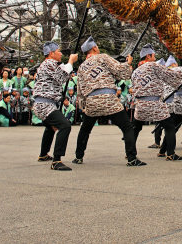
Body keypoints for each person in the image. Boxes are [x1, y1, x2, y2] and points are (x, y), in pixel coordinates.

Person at [70, 37, 145, 166]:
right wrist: (128, 63)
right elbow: (121, 72)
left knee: (85, 129)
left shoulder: (81, 67)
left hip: (92, 101)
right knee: (127, 127)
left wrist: (83, 106)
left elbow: (80, 90)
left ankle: (78, 156)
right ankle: (132, 158)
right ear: (94, 48)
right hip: (109, 99)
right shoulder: (103, 57)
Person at [131, 44, 182, 161]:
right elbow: (169, 73)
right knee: (169, 127)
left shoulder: (136, 71)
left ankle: (130, 153)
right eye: (153, 55)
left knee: (136, 128)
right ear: (148, 56)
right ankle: (170, 153)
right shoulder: (153, 66)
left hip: (140, 104)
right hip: (155, 103)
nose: (154, 57)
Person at [32, 41, 78, 171]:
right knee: (65, 126)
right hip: (45, 103)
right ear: (51, 53)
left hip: (43, 103)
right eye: (58, 51)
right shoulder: (49, 63)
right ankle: (57, 160)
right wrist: (71, 61)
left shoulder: (48, 64)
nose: (60, 53)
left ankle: (43, 154)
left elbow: (61, 75)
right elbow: (62, 77)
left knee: (50, 128)